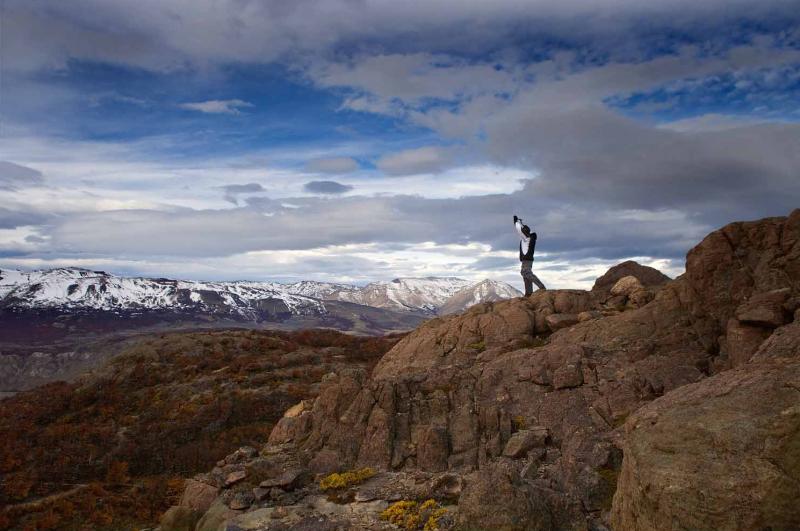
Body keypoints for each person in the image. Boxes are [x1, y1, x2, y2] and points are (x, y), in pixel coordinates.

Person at [514, 215, 546, 295]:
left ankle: (541, 287)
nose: (522, 231)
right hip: (527, 258)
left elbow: (519, 229)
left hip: (527, 258)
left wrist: (516, 222)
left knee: (526, 272)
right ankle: (528, 293)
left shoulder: (526, 238)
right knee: (525, 274)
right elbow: (523, 228)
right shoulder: (529, 236)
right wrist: (520, 222)